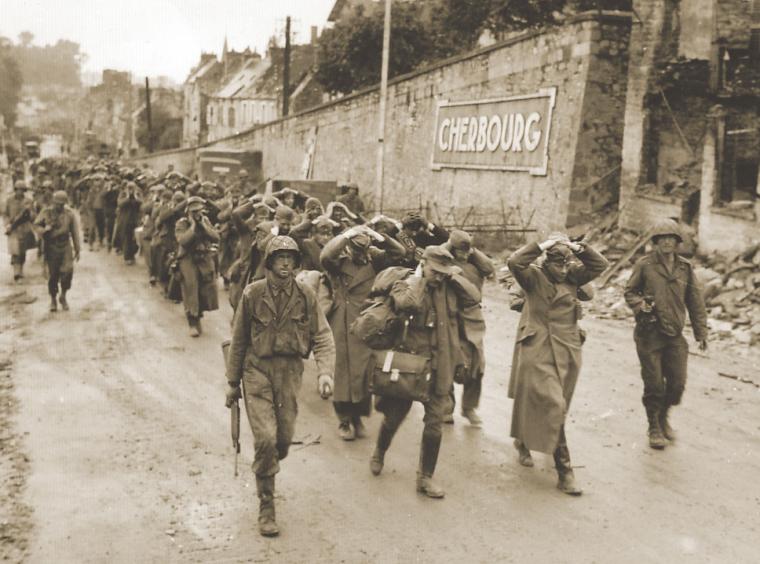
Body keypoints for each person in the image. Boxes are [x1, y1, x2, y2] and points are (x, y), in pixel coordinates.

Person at [225, 235, 336, 537]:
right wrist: (232, 383)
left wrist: (325, 372)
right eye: (279, 258)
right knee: (265, 439)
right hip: (256, 370)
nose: (285, 264)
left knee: (282, 440)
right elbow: (238, 341)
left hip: (289, 372)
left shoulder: (305, 295)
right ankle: (267, 506)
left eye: (290, 258)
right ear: (269, 262)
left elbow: (323, 336)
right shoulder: (253, 293)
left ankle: (270, 459)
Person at [369, 245, 481, 498]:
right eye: (435, 271)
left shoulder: (448, 286)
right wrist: (419, 278)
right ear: (423, 262)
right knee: (394, 417)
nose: (439, 276)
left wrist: (452, 275)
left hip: (439, 364)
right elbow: (407, 303)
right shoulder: (406, 282)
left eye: (443, 272)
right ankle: (380, 451)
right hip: (410, 365)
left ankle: (425, 477)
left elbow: (473, 298)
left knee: (434, 424)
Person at [506, 235, 607, 496]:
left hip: (568, 348)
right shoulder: (533, 278)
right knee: (554, 404)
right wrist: (542, 245)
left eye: (566, 264)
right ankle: (565, 471)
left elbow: (600, 265)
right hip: (539, 347)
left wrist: (577, 248)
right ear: (547, 262)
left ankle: (525, 439)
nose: (562, 270)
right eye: (557, 265)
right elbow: (514, 261)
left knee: (558, 404)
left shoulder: (574, 277)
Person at [624, 219, 708, 450]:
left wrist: (701, 332)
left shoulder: (685, 268)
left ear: (678, 242)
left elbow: (695, 301)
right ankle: (653, 426)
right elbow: (630, 292)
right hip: (649, 334)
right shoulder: (645, 265)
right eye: (662, 239)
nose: (667, 242)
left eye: (671, 238)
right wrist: (641, 305)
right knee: (654, 385)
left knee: (677, 385)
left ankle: (663, 416)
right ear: (656, 242)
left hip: (674, 335)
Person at [321, 224, 406, 440]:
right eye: (356, 249)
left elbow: (400, 253)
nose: (360, 255)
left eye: (364, 250)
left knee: (363, 371)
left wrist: (380, 236)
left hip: (367, 321)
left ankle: (357, 416)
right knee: (342, 370)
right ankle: (344, 419)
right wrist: (345, 235)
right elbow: (325, 255)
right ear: (348, 248)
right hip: (341, 320)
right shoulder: (338, 263)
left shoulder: (375, 261)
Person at [442, 230, 494, 426]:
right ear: (453, 249)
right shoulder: (445, 263)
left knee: (477, 364)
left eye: (467, 250)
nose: (464, 254)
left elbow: (489, 268)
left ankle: (469, 407)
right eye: (460, 250)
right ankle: (446, 408)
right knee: (449, 362)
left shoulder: (476, 265)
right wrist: (449, 245)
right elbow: (431, 257)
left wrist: (472, 250)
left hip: (473, 318)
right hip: (450, 317)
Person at [174, 196, 220, 336]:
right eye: (194, 211)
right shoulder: (182, 223)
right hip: (188, 258)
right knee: (191, 287)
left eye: (199, 211)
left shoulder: (205, 221)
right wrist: (193, 226)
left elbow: (216, 237)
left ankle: (198, 314)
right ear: (188, 212)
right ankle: (192, 322)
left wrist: (204, 226)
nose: (197, 214)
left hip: (203, 257)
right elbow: (183, 241)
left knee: (207, 287)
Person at [34, 191, 81, 312]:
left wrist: (77, 248)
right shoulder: (46, 212)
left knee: (68, 271)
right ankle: (53, 299)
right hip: (51, 246)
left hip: (65, 245)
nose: (59, 206)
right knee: (53, 275)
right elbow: (36, 225)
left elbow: (75, 232)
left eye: (62, 204)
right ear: (53, 202)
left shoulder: (69, 214)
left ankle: (63, 296)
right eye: (57, 203)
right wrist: (45, 230)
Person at [4, 181, 35, 282]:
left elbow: (33, 217)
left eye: (22, 190)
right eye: (18, 190)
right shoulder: (9, 200)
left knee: (22, 251)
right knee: (15, 251)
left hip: (24, 228)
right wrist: (7, 224)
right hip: (13, 229)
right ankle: (17, 273)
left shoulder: (28, 201)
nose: (20, 192)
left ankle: (20, 270)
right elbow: (5, 214)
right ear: (15, 190)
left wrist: (29, 212)